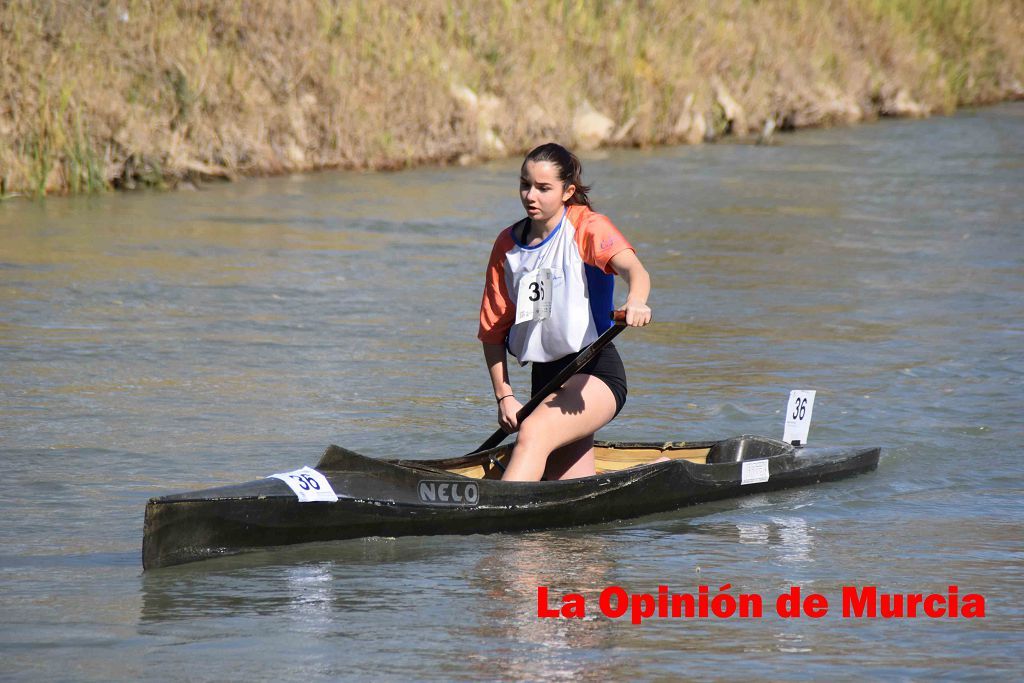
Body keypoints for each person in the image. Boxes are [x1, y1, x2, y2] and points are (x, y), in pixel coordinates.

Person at [478, 142, 652, 482]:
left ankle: (497, 531)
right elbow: (492, 332)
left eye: (544, 188)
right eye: (525, 184)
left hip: (594, 371)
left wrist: (637, 300)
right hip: (545, 379)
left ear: (567, 191)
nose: (531, 196)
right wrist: (505, 396)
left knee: (533, 434)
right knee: (565, 488)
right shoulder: (507, 245)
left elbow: (635, 270)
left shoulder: (586, 227)